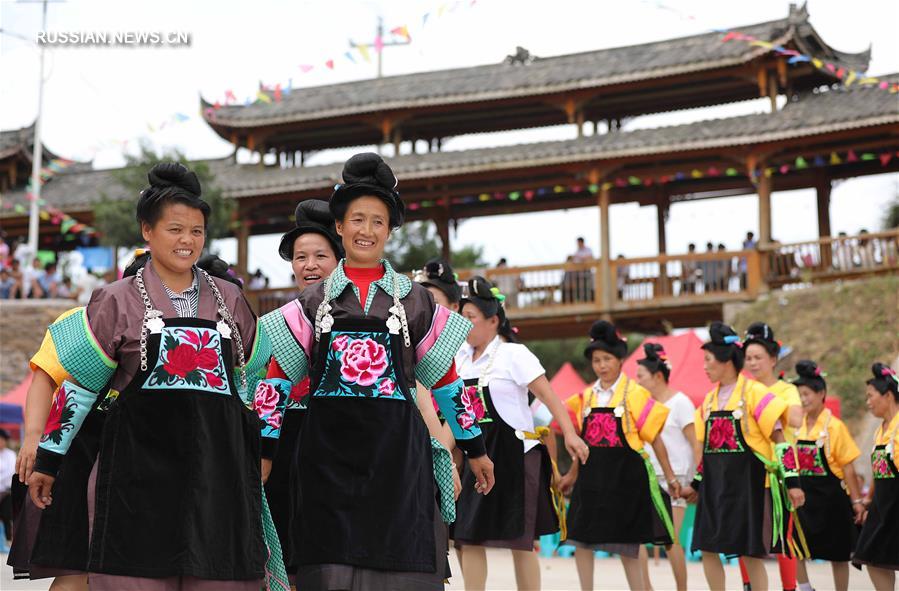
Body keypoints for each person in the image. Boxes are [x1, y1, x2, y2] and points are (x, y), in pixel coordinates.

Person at [25, 162, 277, 591]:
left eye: (197, 231)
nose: (188, 241)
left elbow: (257, 383)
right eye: (175, 229)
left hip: (218, 473)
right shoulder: (114, 299)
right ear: (147, 231)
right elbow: (81, 387)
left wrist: (264, 449)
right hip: (136, 476)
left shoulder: (230, 298)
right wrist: (49, 459)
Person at [263, 152, 493, 590]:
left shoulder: (416, 301)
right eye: (357, 219)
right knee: (328, 566)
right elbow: (275, 380)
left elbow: (444, 378)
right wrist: (265, 451)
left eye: (377, 221)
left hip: (398, 460)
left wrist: (475, 446)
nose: (366, 230)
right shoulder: (311, 304)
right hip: (326, 464)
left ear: (389, 230)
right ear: (339, 225)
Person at [453, 276, 587, 591]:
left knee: (520, 540)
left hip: (517, 458)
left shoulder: (515, 355)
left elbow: (551, 397)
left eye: (470, 317)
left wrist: (569, 434)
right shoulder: (459, 358)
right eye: (461, 317)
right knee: (468, 535)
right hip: (477, 456)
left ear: (493, 320)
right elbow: (453, 413)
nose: (464, 324)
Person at [256, 198, 344, 582]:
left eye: (320, 255)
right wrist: (262, 451)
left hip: (346, 440)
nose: (309, 265)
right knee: (290, 551)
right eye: (300, 257)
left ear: (340, 259)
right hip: (288, 445)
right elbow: (267, 391)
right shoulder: (279, 321)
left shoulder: (367, 315)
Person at [562, 320, 680, 591]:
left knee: (628, 544)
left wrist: (670, 476)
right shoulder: (585, 397)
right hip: (591, 479)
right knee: (580, 538)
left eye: (607, 359)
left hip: (626, 480)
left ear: (620, 360)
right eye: (596, 360)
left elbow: (656, 439)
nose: (601, 365)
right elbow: (574, 438)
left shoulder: (636, 394)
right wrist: (570, 474)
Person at [688, 321, 805, 591]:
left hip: (749, 486)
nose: (704, 367)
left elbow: (780, 440)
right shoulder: (708, 401)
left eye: (708, 360)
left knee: (750, 552)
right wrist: (694, 485)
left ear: (726, 360)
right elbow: (707, 452)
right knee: (707, 547)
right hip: (716, 486)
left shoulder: (756, 393)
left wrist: (793, 482)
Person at [791, 360, 864, 591]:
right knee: (795, 545)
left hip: (831, 498)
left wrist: (856, 502)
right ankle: (805, 588)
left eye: (807, 394)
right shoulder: (800, 426)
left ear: (821, 393)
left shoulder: (835, 427)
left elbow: (849, 468)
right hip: (805, 498)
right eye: (800, 394)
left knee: (838, 552)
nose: (803, 399)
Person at [742, 321, 805, 591]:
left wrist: (766, 405)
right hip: (746, 474)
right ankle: (748, 585)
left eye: (759, 357)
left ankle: (790, 587)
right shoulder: (743, 390)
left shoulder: (786, 390)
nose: (753, 363)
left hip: (779, 472)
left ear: (773, 358)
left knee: (783, 537)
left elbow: (796, 418)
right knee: (743, 536)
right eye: (748, 358)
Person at [636, 343, 697, 591]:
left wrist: (693, 482)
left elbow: (695, 444)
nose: (636, 381)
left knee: (671, 540)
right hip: (645, 477)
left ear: (657, 376)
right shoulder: (643, 405)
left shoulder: (681, 403)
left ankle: (681, 588)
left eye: (640, 376)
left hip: (675, 480)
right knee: (636, 539)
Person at [853, 363, 899, 590]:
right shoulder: (882, 429)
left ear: (888, 395)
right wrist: (868, 499)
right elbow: (879, 471)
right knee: (873, 556)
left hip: (896, 504)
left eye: (871, 396)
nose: (868, 402)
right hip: (883, 503)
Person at [0, 429, 15, 543]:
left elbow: (10, 472)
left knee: (6, 516)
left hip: (6, 492)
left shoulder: (10, 454)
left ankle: (8, 540)